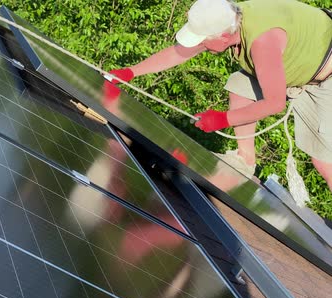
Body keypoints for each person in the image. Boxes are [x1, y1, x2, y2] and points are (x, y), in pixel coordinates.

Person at [107, 0, 332, 189]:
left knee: (324, 161)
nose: (200, 45)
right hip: (304, 64)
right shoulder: (229, 19)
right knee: (239, 83)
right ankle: (244, 160)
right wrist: (130, 72)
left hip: (327, 76)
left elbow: (274, 104)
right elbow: (180, 52)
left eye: (203, 40)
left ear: (224, 37)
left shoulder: (262, 43)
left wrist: (223, 119)